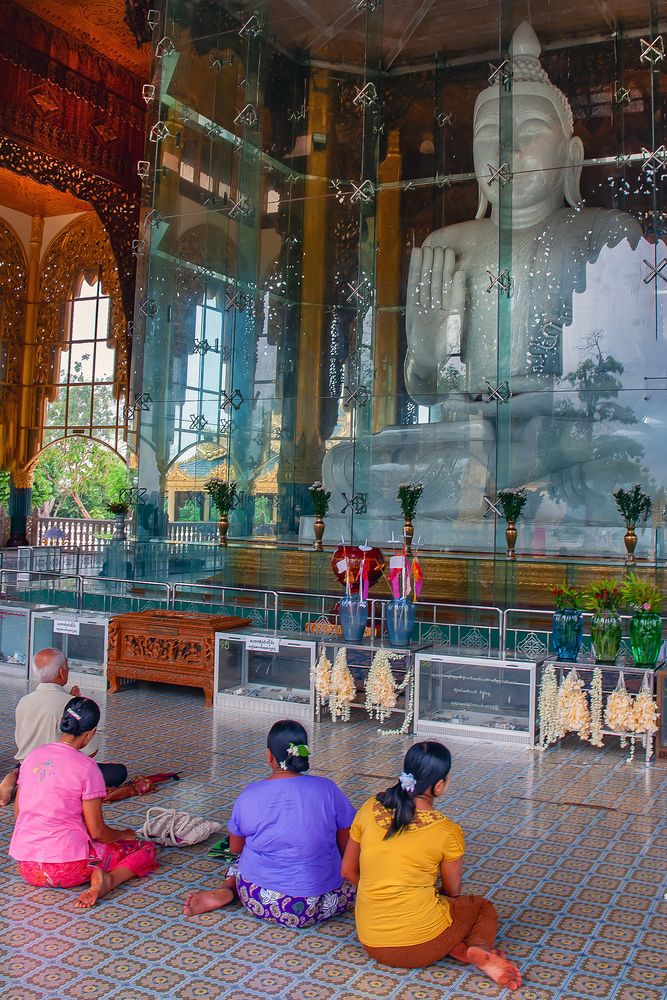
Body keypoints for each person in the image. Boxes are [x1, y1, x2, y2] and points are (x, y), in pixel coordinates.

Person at [341, 740, 522, 991]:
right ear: (439, 786)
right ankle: (478, 950)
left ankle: (458, 949)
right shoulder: (446, 830)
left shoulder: (370, 807)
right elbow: (453, 892)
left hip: (371, 941)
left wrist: (381, 888)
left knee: (432, 908)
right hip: (421, 947)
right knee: (480, 907)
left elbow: (347, 871)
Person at [184, 719, 356, 927]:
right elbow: (346, 844)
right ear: (303, 754)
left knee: (242, 860)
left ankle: (229, 888)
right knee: (355, 871)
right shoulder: (327, 789)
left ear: (269, 755)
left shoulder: (250, 794)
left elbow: (236, 848)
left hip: (261, 898)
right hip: (322, 902)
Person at [9, 696, 157, 907]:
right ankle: (108, 881)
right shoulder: (86, 767)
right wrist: (124, 834)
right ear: (91, 733)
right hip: (68, 868)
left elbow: (19, 814)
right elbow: (98, 832)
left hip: (28, 867)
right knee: (145, 849)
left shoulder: (33, 756)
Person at [0, 648, 127, 805]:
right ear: (61, 672)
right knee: (118, 772)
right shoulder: (68, 704)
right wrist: (78, 705)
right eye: (67, 666)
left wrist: (73, 700)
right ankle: (40, 783)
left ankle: (17, 776)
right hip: (58, 771)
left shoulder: (24, 701)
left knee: (26, 763)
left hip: (29, 764)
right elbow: (90, 751)